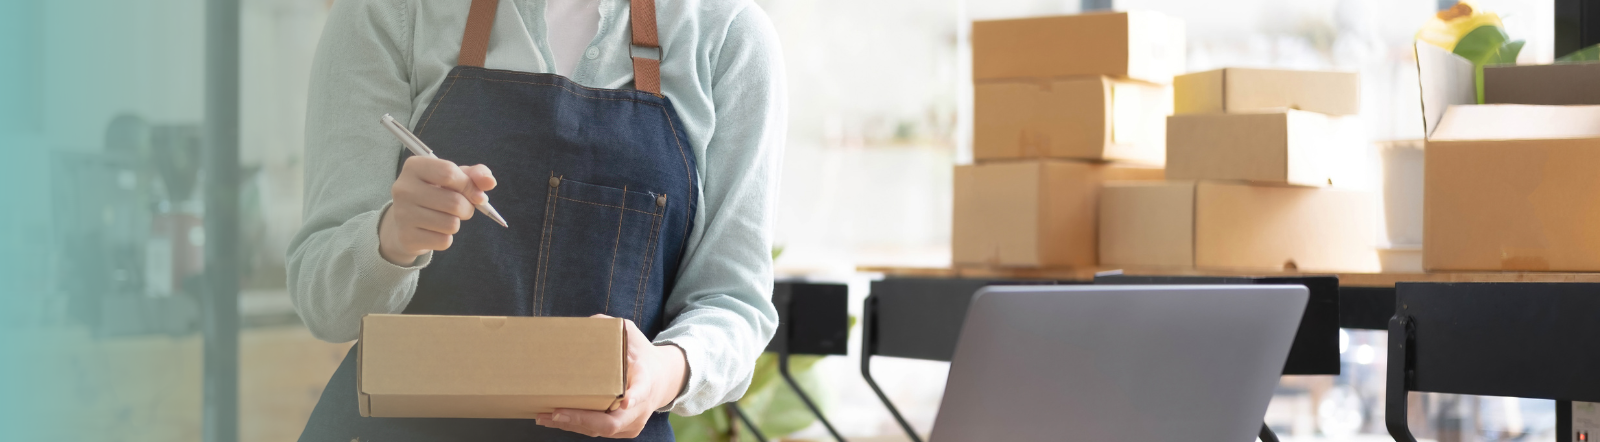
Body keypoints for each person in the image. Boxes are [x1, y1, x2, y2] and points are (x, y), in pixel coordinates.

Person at [285, 0, 785, 439]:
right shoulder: (390, 12)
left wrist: (662, 372)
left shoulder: (729, 36)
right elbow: (325, 306)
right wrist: (391, 238)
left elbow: (731, 301)